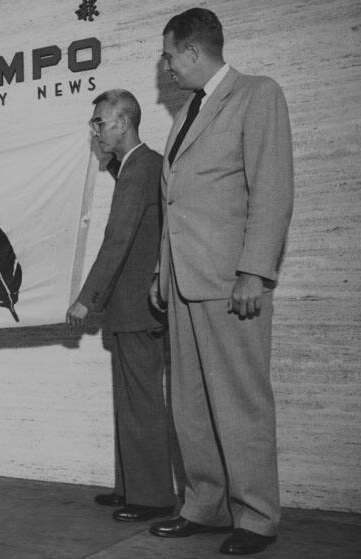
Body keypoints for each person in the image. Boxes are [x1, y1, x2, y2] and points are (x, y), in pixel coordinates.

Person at [148, 8, 294, 555]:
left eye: (168, 55)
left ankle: (256, 516)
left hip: (231, 281)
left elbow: (272, 188)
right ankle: (205, 504)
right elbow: (177, 200)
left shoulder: (258, 94)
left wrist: (253, 271)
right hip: (185, 283)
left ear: (191, 51)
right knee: (190, 403)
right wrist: (162, 272)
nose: (165, 67)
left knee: (240, 402)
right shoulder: (186, 114)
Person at [67, 90, 178, 523]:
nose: (95, 131)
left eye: (100, 122)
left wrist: (86, 299)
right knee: (129, 401)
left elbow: (118, 241)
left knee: (142, 401)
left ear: (124, 122)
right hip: (131, 307)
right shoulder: (136, 166)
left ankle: (152, 498)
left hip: (136, 306)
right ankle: (131, 487)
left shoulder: (141, 168)